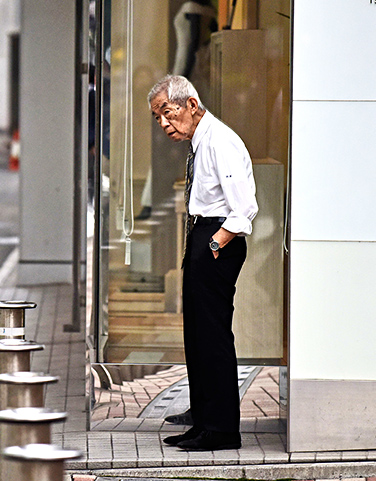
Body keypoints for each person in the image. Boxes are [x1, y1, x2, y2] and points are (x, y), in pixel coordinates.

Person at [148, 75, 257, 451]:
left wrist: (214, 242)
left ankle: (223, 429)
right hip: (204, 236)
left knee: (213, 337)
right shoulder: (201, 139)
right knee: (197, 336)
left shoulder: (220, 140)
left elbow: (244, 209)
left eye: (167, 113)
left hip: (217, 239)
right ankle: (204, 419)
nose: (164, 123)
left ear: (191, 105)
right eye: (158, 117)